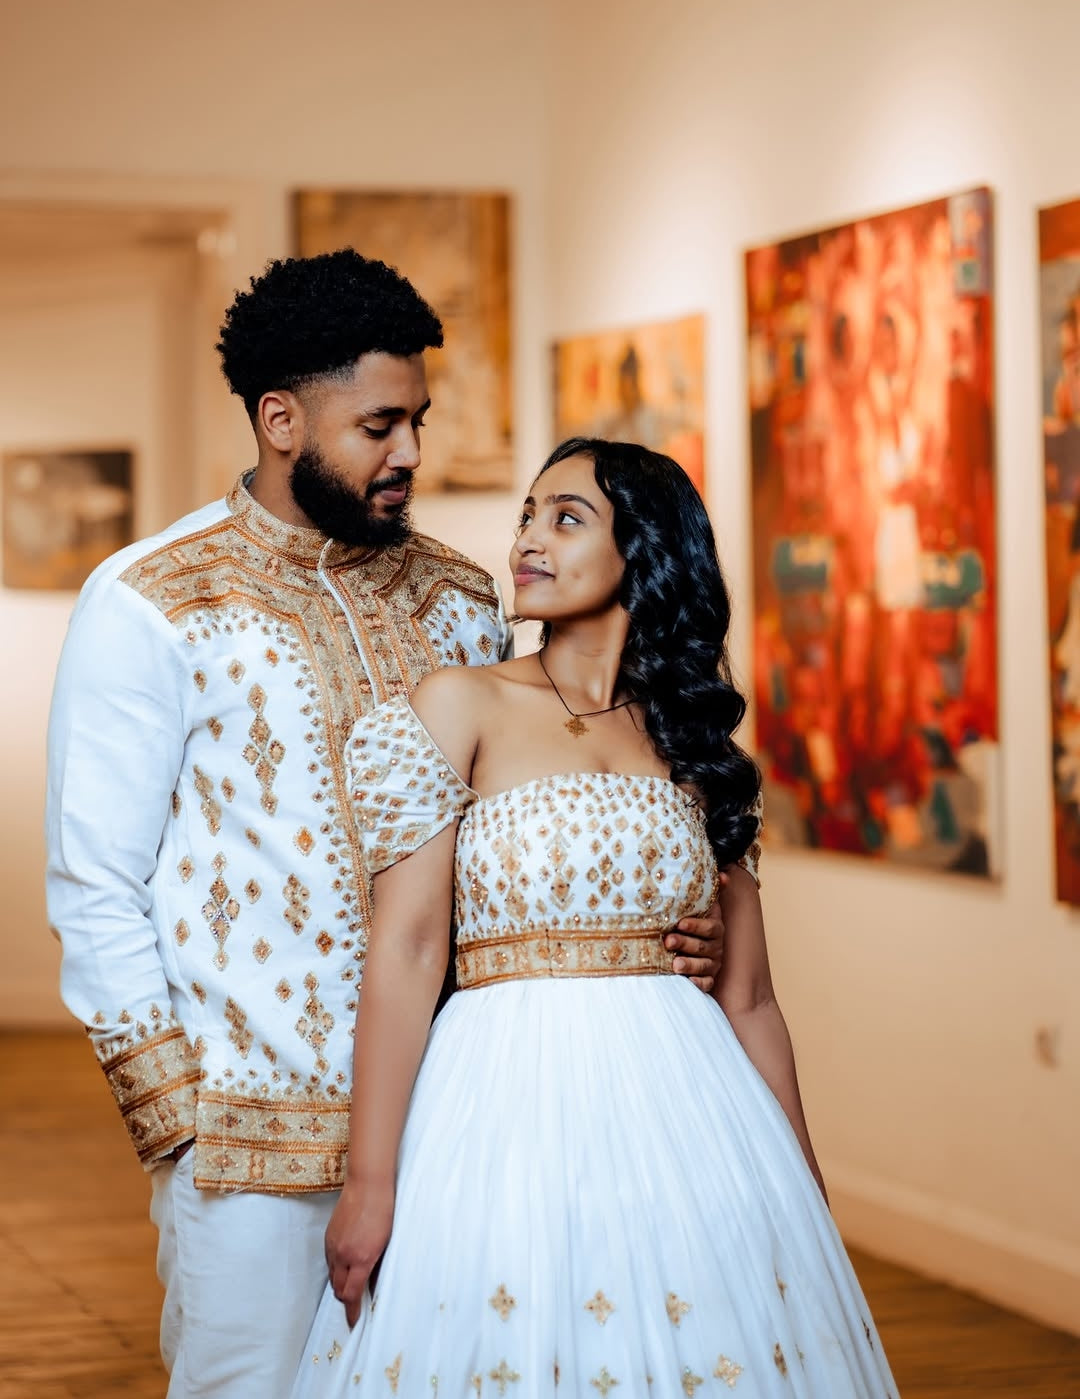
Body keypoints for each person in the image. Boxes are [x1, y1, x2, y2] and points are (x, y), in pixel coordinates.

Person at [44, 256, 726, 1399]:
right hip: (249, 1142)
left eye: (417, 418)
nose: (410, 451)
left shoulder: (464, 596)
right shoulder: (152, 600)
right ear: (279, 419)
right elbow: (93, 884)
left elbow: (556, 792)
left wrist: (664, 931)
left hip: (462, 1123)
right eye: (378, 424)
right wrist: (181, 1121)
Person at [294, 438, 899, 1399]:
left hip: (689, 1116)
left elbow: (748, 999)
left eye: (566, 518)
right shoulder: (463, 704)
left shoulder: (693, 738)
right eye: (528, 514)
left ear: (646, 552)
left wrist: (803, 1191)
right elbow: (407, 951)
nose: (529, 539)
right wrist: (370, 1183)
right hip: (500, 1111)